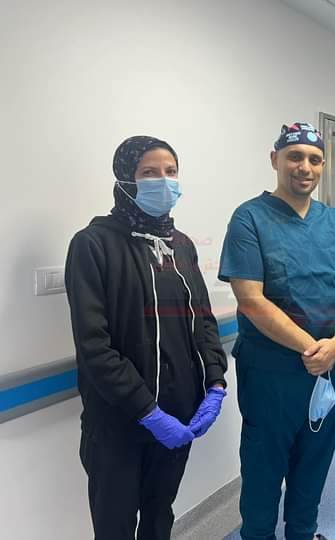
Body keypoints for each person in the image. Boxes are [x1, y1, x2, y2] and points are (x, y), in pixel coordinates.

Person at [65, 135, 228, 540]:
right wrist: (147, 412)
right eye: (150, 173)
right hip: (119, 422)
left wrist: (215, 382)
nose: (164, 181)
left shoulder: (181, 246)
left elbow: (203, 321)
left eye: (171, 172)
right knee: (115, 526)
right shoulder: (93, 245)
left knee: (159, 518)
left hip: (178, 415)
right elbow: (94, 346)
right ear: (126, 179)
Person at [218, 122, 335, 540]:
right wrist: (313, 348)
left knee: (314, 462)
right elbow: (251, 299)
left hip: (328, 367)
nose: (305, 167)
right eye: (294, 157)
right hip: (272, 370)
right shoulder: (249, 218)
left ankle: (303, 532)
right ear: (275, 160)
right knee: (264, 468)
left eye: (315, 159)